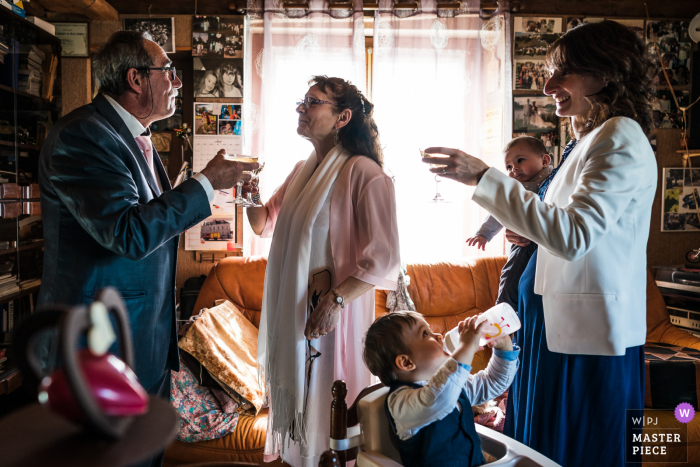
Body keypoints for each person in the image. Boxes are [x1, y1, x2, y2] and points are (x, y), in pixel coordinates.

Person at [422, 20, 656, 466]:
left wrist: (482, 176)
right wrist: (531, 231)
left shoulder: (619, 136)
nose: (548, 85)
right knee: (539, 451)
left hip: (585, 344)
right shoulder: (586, 140)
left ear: (605, 74)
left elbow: (574, 236)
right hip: (550, 330)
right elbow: (569, 226)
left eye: (562, 72)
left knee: (580, 452)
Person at [37, 30, 257, 467]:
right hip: (98, 346)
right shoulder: (82, 136)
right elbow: (129, 233)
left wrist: (209, 190)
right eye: (169, 72)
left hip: (145, 344)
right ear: (136, 78)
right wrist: (206, 182)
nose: (177, 82)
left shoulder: (135, 137)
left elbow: (150, 219)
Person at [247, 76, 400, 466]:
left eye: (312, 102)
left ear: (342, 117)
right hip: (294, 308)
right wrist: (247, 191)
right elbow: (264, 224)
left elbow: (382, 257)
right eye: (303, 101)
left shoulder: (365, 173)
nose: (302, 108)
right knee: (300, 411)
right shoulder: (302, 169)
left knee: (328, 409)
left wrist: (335, 301)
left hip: (333, 315)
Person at [363, 311, 519, 467]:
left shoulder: (450, 383)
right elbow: (436, 399)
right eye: (425, 334)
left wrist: (503, 349)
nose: (438, 336)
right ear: (406, 362)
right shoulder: (401, 402)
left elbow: (491, 383)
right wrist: (466, 347)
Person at [465, 136, 552, 311]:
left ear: (544, 160)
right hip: (524, 244)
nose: (514, 169)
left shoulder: (554, 181)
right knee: (511, 276)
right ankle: (502, 310)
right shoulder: (516, 188)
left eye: (520, 160)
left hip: (548, 244)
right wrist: (484, 234)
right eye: (509, 167)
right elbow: (498, 211)